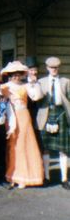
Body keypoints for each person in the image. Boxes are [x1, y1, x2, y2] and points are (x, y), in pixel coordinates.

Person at [1, 61, 44, 189]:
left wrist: (34, 83)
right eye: (13, 74)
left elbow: (36, 97)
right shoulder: (5, 87)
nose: (16, 77)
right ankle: (11, 174)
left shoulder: (26, 86)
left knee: (23, 144)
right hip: (11, 116)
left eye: (18, 74)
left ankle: (24, 176)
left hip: (24, 116)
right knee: (12, 145)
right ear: (9, 75)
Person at [37, 57, 70, 189]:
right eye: (51, 68)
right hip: (46, 115)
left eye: (56, 68)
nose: (54, 70)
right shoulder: (41, 82)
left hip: (61, 114)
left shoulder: (66, 82)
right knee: (45, 148)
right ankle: (46, 177)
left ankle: (64, 179)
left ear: (58, 68)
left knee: (63, 150)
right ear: (47, 68)